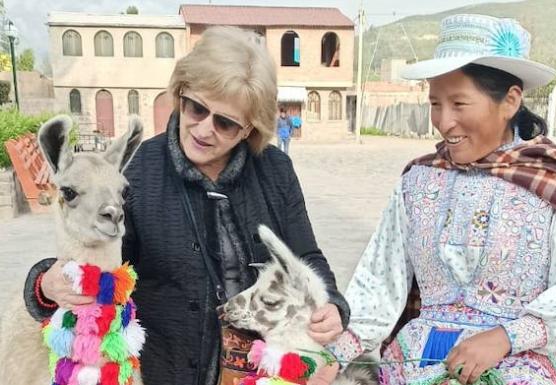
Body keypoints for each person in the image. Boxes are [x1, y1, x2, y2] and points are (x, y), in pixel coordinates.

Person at [23, 26, 349, 385]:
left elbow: (307, 258)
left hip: (263, 371)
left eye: (225, 123)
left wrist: (332, 304)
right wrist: (45, 283)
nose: (204, 128)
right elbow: (93, 254)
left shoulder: (275, 170)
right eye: (196, 108)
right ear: (181, 94)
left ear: (248, 130)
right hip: (166, 370)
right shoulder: (138, 171)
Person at [313, 14, 556, 385]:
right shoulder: (418, 182)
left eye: (459, 104)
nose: (443, 121)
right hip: (414, 363)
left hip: (519, 366)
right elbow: (380, 281)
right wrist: (333, 356)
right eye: (435, 104)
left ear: (510, 101)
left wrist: (506, 338)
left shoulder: (551, 186)